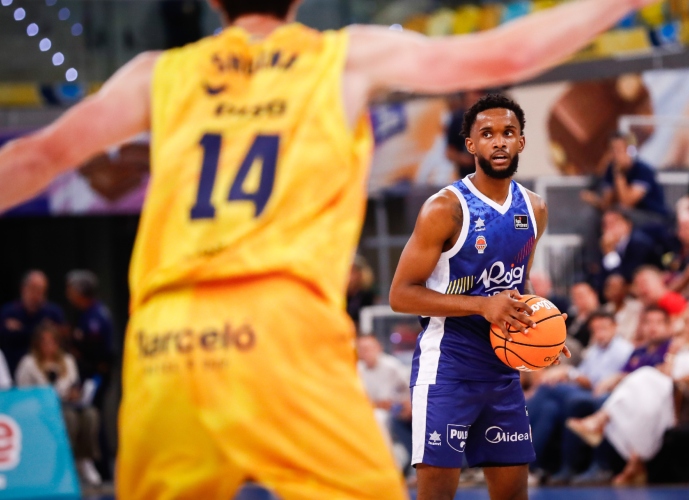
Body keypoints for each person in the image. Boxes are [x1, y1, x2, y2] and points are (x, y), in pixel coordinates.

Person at [0, 0, 653, 496]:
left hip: (165, 337)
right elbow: (503, 57)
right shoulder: (342, 57)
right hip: (278, 320)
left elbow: (39, 156)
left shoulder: (158, 72)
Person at [389, 94, 571, 500]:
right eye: (487, 134)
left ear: (522, 141)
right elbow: (400, 295)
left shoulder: (534, 209)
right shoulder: (444, 208)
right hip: (448, 368)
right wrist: (480, 305)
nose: (499, 142)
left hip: (502, 368)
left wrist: (543, 333)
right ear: (470, 145)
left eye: (508, 133)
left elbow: (515, 289)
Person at [565, 306, 689, 485]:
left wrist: (673, 375)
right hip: (670, 394)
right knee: (642, 407)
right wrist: (673, 355)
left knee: (644, 375)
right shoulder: (683, 349)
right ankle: (635, 460)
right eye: (688, 322)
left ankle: (600, 420)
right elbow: (666, 371)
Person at [527, 311, 632, 481]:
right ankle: (558, 467)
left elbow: (596, 384)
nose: (599, 333)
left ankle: (519, 451)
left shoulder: (623, 349)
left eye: (604, 328)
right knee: (550, 408)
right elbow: (582, 377)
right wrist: (570, 375)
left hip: (607, 397)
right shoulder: (594, 350)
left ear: (615, 327)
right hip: (585, 393)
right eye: (595, 329)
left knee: (547, 387)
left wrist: (568, 373)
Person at [16, 322, 101, 485]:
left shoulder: (68, 361)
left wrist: (75, 394)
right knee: (69, 418)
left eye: (53, 341)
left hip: (68, 404)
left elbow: (74, 385)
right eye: (45, 342)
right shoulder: (28, 363)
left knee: (91, 414)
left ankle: (84, 460)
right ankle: (65, 463)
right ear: (37, 344)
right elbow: (22, 394)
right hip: (41, 410)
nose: (49, 346)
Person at [357, 335, 412, 470]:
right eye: (362, 349)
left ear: (378, 348)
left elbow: (411, 389)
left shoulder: (392, 366)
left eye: (369, 348)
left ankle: (387, 466)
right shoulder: (357, 369)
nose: (366, 352)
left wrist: (407, 404)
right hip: (368, 410)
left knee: (379, 418)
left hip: (397, 408)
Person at [581, 134, 668, 220]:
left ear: (628, 150)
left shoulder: (643, 170)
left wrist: (619, 173)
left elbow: (626, 203)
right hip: (628, 215)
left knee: (620, 218)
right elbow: (607, 205)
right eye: (612, 150)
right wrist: (596, 201)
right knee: (597, 217)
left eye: (619, 150)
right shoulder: (611, 170)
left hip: (652, 216)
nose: (615, 154)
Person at [64, 270, 115, 409]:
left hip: (96, 374)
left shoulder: (96, 315)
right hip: (86, 372)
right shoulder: (82, 313)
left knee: (93, 412)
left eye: (70, 288)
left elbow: (101, 350)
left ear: (80, 290)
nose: (68, 293)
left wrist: (76, 345)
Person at [0, 270, 65, 373]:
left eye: (42, 290)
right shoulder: (8, 311)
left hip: (45, 371)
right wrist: (40, 329)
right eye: (34, 289)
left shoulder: (53, 312)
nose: (37, 295)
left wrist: (22, 330)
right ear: (23, 288)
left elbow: (60, 340)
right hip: (12, 368)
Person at [602, 274, 640, 342]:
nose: (614, 292)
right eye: (611, 288)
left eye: (617, 287)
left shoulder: (636, 307)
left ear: (625, 288)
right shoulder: (604, 310)